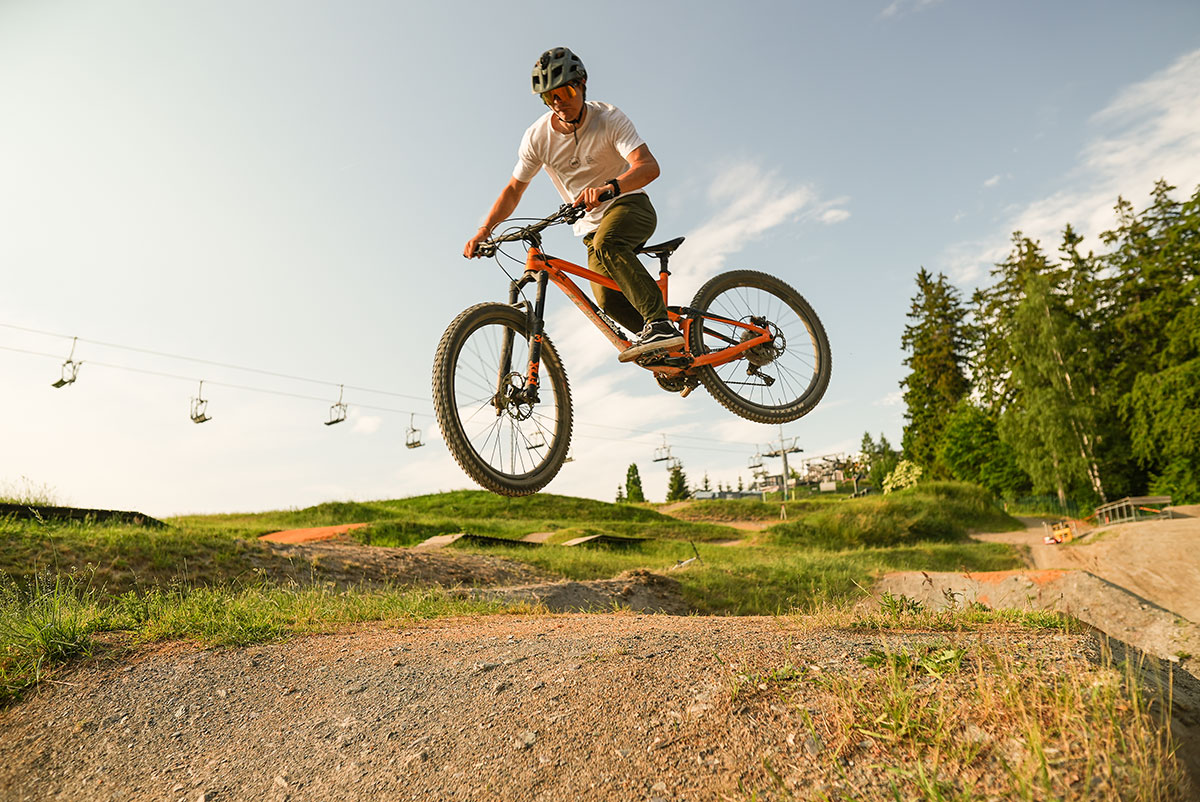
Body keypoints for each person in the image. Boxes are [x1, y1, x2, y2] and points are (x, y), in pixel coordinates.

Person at [463, 46, 684, 363]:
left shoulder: (608, 118)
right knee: (607, 299)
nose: (558, 102)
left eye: (565, 91)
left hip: (630, 205)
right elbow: (514, 189)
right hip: (590, 227)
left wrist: (610, 188)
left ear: (582, 84)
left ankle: (660, 325)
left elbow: (648, 166)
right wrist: (485, 229)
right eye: (548, 97)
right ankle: (669, 353)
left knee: (610, 243)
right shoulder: (538, 137)